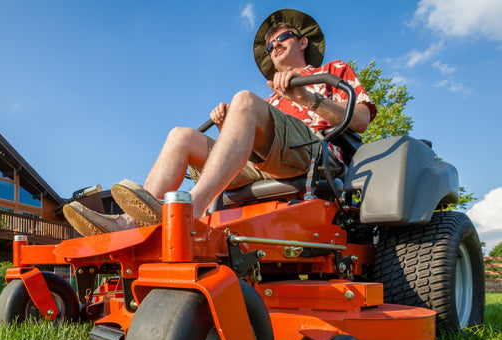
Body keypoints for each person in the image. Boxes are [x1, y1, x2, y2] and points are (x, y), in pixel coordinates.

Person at [63, 9, 377, 236]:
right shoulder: (271, 101)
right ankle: (130, 224)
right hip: (268, 160)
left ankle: (190, 211)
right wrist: (229, 125)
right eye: (269, 46)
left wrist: (307, 97)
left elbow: (360, 119)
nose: (274, 47)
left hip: (316, 151)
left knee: (243, 99)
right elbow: (243, 147)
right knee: (181, 136)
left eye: (281, 38)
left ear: (302, 41)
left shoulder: (334, 69)